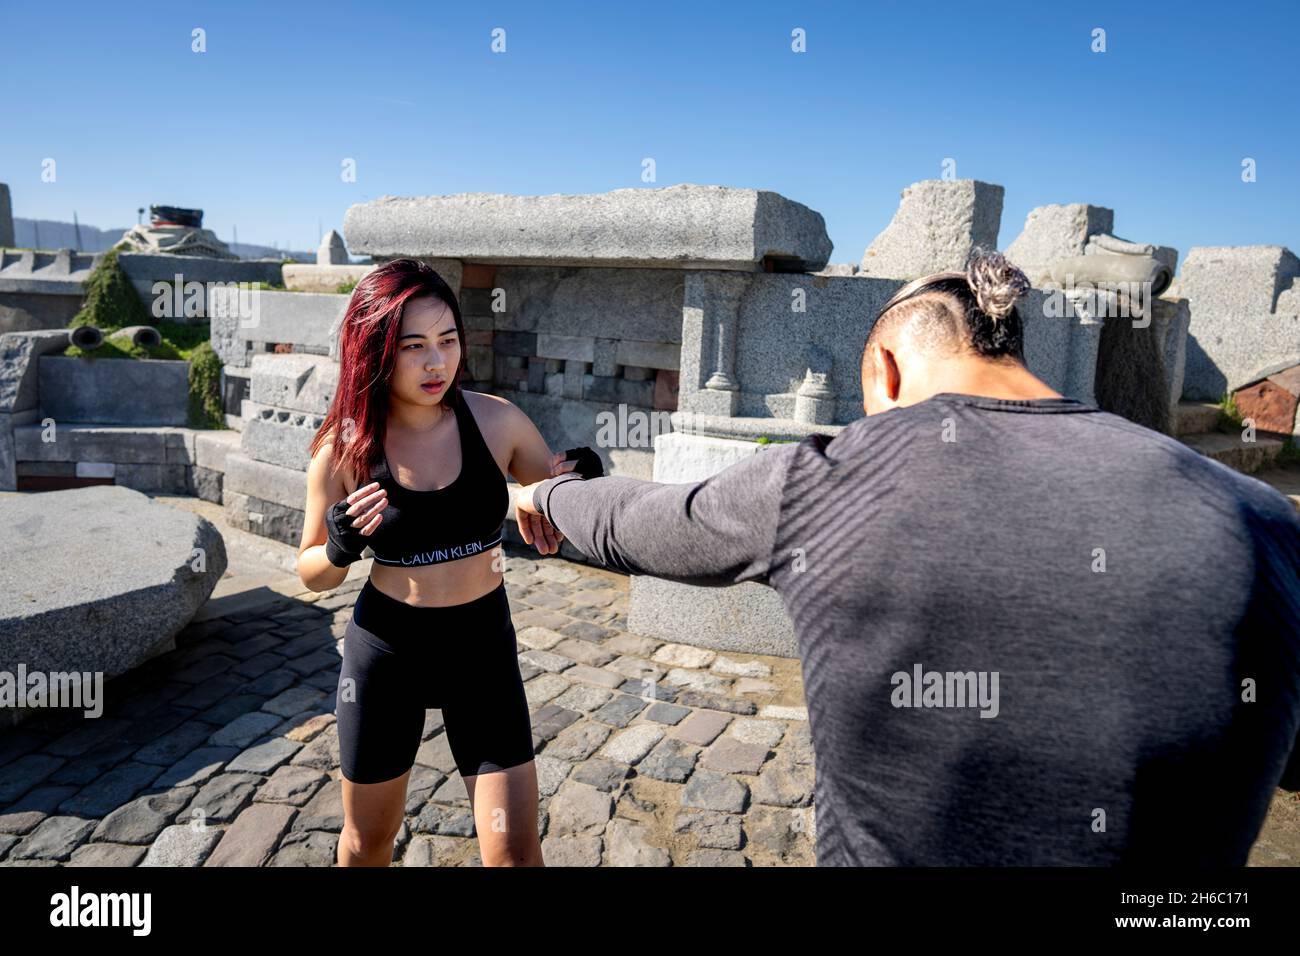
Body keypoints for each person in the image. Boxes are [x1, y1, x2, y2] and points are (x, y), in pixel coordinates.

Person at [513, 248, 1300, 866]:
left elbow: (653, 521)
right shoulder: (1259, 515)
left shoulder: (833, 476)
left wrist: (545, 498)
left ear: (885, 370)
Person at [296, 257, 578, 867]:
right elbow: (310, 572)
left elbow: (558, 493)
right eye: (413, 346)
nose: (436, 363)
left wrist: (579, 479)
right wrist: (341, 547)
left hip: (482, 650)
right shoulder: (344, 448)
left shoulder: (496, 420)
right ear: (374, 348)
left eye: (448, 341)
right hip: (386, 654)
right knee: (367, 844)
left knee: (514, 851)